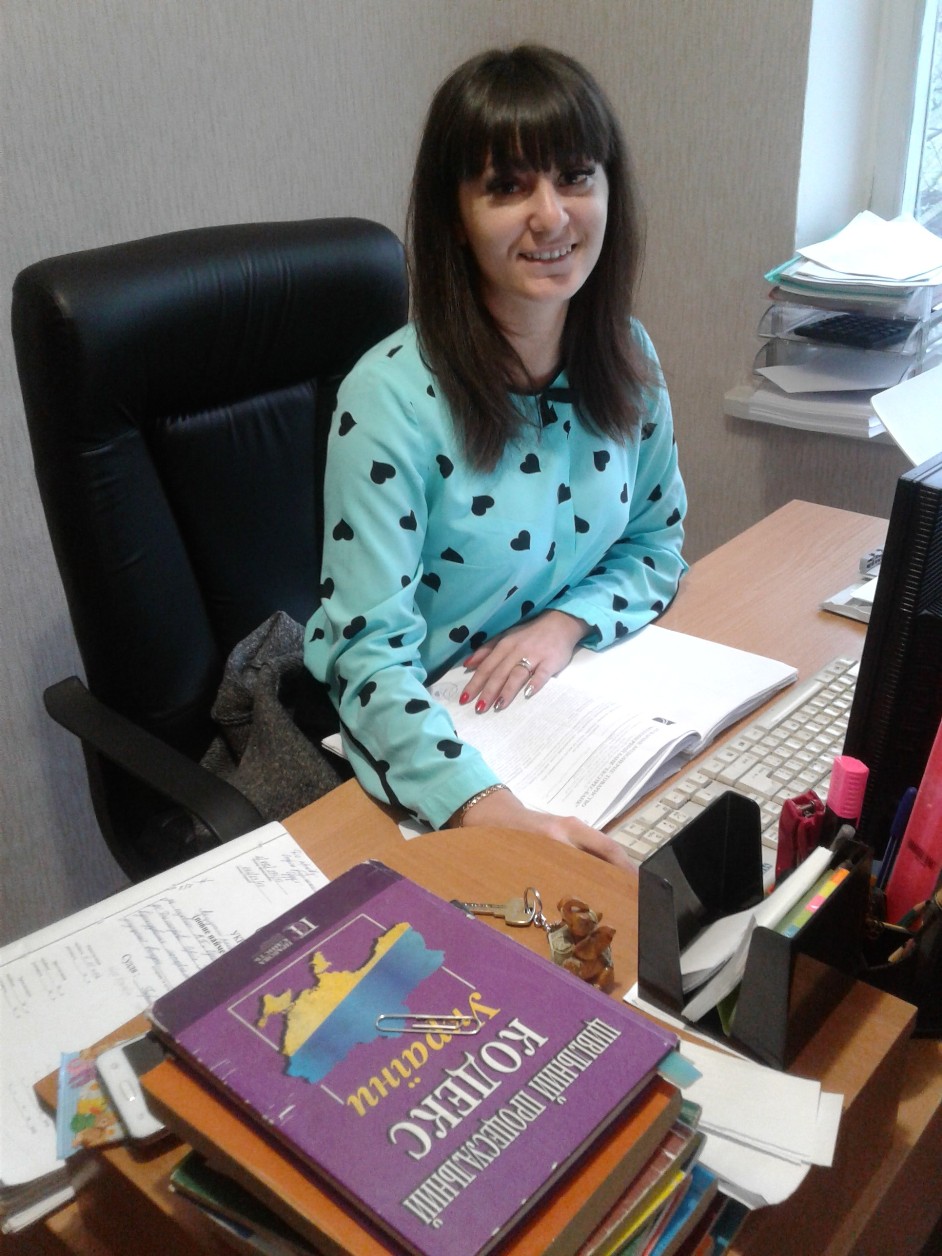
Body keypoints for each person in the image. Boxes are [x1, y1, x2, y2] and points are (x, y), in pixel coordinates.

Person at [304, 45, 687, 867]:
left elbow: (656, 546)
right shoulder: (390, 400)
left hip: (563, 716)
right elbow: (367, 657)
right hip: (415, 753)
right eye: (508, 187)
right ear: (454, 215)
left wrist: (564, 625)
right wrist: (485, 807)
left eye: (575, 177)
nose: (552, 217)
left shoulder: (627, 355)